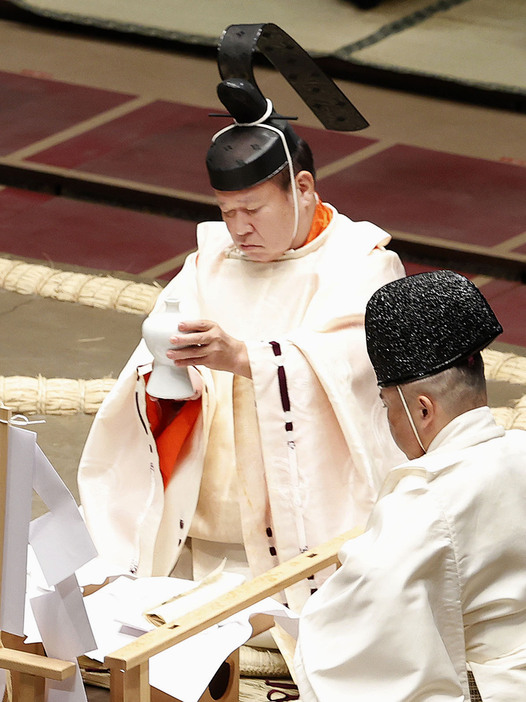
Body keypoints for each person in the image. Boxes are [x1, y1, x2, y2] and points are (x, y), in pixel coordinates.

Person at [77, 23, 405, 611]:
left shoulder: (364, 265)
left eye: (252, 209)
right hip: (204, 538)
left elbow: (353, 371)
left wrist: (244, 358)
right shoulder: (210, 263)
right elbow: (148, 370)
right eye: (226, 212)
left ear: (302, 188)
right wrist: (168, 367)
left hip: (314, 538)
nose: (239, 229)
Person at [295, 270, 526, 700]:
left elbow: (357, 638)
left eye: (386, 407)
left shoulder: (425, 502)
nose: (389, 422)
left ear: (422, 410)